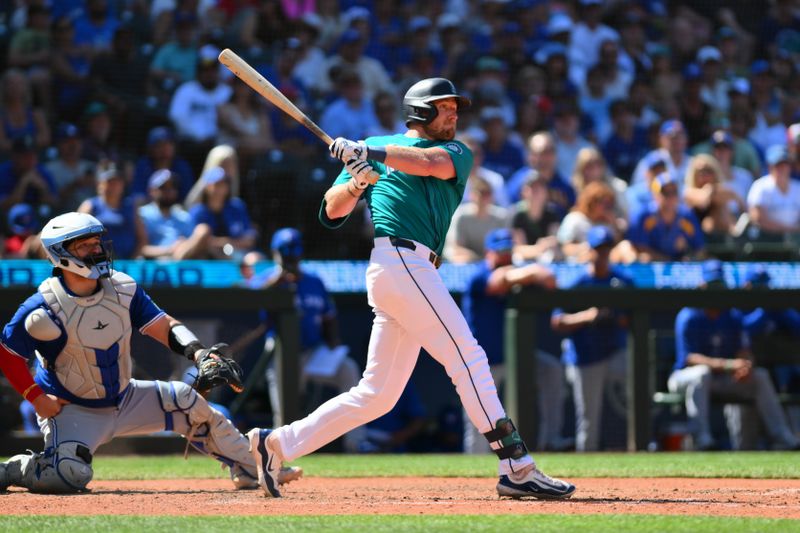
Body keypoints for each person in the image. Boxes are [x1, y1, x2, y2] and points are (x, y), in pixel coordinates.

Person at [247, 77, 575, 499]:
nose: (455, 113)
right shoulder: (376, 146)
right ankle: (516, 464)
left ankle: (275, 444)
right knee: (468, 357)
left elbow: (428, 163)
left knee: (376, 395)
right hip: (398, 261)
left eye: (456, 107)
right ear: (420, 110)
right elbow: (331, 210)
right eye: (445, 106)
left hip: (413, 268)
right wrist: (358, 181)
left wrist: (371, 153)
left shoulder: (454, 151)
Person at [0, 212, 299, 493]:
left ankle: (253, 467)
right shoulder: (42, 308)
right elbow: (8, 353)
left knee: (188, 401)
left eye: (97, 243)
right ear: (61, 254)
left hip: (125, 397)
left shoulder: (123, 288)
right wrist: (36, 398)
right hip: (73, 410)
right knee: (67, 476)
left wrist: (199, 354)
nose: (96, 250)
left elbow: (164, 325)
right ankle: (16, 469)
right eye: (84, 246)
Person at [244, 228, 364, 451]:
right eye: (285, 252)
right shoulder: (267, 279)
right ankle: (280, 449)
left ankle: (356, 443)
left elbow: (329, 317)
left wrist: (333, 342)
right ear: (276, 253)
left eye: (294, 252)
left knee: (349, 370)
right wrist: (275, 282)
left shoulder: (314, 281)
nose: (291, 257)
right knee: (284, 406)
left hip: (313, 353)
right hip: (282, 356)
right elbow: (247, 299)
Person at [668, 260, 799, 451]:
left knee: (760, 376)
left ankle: (783, 438)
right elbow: (690, 358)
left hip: (722, 379)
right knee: (701, 373)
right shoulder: (689, 315)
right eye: (712, 286)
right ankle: (701, 439)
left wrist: (747, 365)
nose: (715, 292)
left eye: (719, 286)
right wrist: (730, 365)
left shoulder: (732, 315)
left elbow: (744, 350)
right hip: (684, 379)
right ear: (701, 286)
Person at [461, 229, 567, 453]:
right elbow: (500, 281)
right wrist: (531, 271)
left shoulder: (520, 273)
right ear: (489, 253)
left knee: (552, 369)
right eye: (500, 251)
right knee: (477, 420)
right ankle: (473, 467)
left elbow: (550, 281)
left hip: (514, 358)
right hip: (481, 361)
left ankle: (551, 439)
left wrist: (530, 272)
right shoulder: (478, 276)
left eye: (509, 251)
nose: (505, 255)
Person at [551, 226, 632, 452]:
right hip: (585, 356)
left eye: (607, 249)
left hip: (615, 352)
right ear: (590, 250)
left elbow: (635, 316)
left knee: (637, 388)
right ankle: (587, 469)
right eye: (599, 249)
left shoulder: (622, 280)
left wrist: (615, 315)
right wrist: (588, 316)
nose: (603, 254)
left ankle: (641, 447)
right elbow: (557, 321)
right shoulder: (578, 282)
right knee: (588, 418)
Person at [627, 172, 705, 263]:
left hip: (680, 269)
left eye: (674, 192)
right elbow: (638, 248)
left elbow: (700, 249)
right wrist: (664, 259)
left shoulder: (687, 217)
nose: (670, 197)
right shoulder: (643, 216)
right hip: (650, 268)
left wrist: (691, 257)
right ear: (655, 195)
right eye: (665, 193)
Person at [77, 161, 146, 260]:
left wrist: (133, 259)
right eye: (109, 182)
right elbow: (77, 236)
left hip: (127, 263)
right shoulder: (89, 206)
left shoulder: (131, 206)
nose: (114, 186)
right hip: (96, 263)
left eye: (117, 182)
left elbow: (142, 238)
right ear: (100, 184)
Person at [138, 170, 211, 260]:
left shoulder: (184, 217)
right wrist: (170, 250)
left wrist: (184, 245)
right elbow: (140, 249)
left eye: (173, 187)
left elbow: (193, 245)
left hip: (184, 263)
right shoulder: (142, 214)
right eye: (163, 187)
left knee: (203, 229)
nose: (169, 191)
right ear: (152, 190)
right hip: (154, 265)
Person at [443, 176, 508, 264]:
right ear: (472, 195)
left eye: (488, 193)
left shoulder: (501, 217)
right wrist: (476, 258)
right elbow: (454, 248)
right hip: (467, 264)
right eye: (481, 192)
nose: (484, 197)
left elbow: (506, 247)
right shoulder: (461, 216)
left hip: (492, 264)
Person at [746, 145, 800, 234]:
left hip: (795, 239)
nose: (782, 168)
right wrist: (790, 230)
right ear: (770, 167)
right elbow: (757, 218)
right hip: (767, 239)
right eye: (778, 165)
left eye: (785, 164)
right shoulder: (760, 186)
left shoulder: (797, 187)